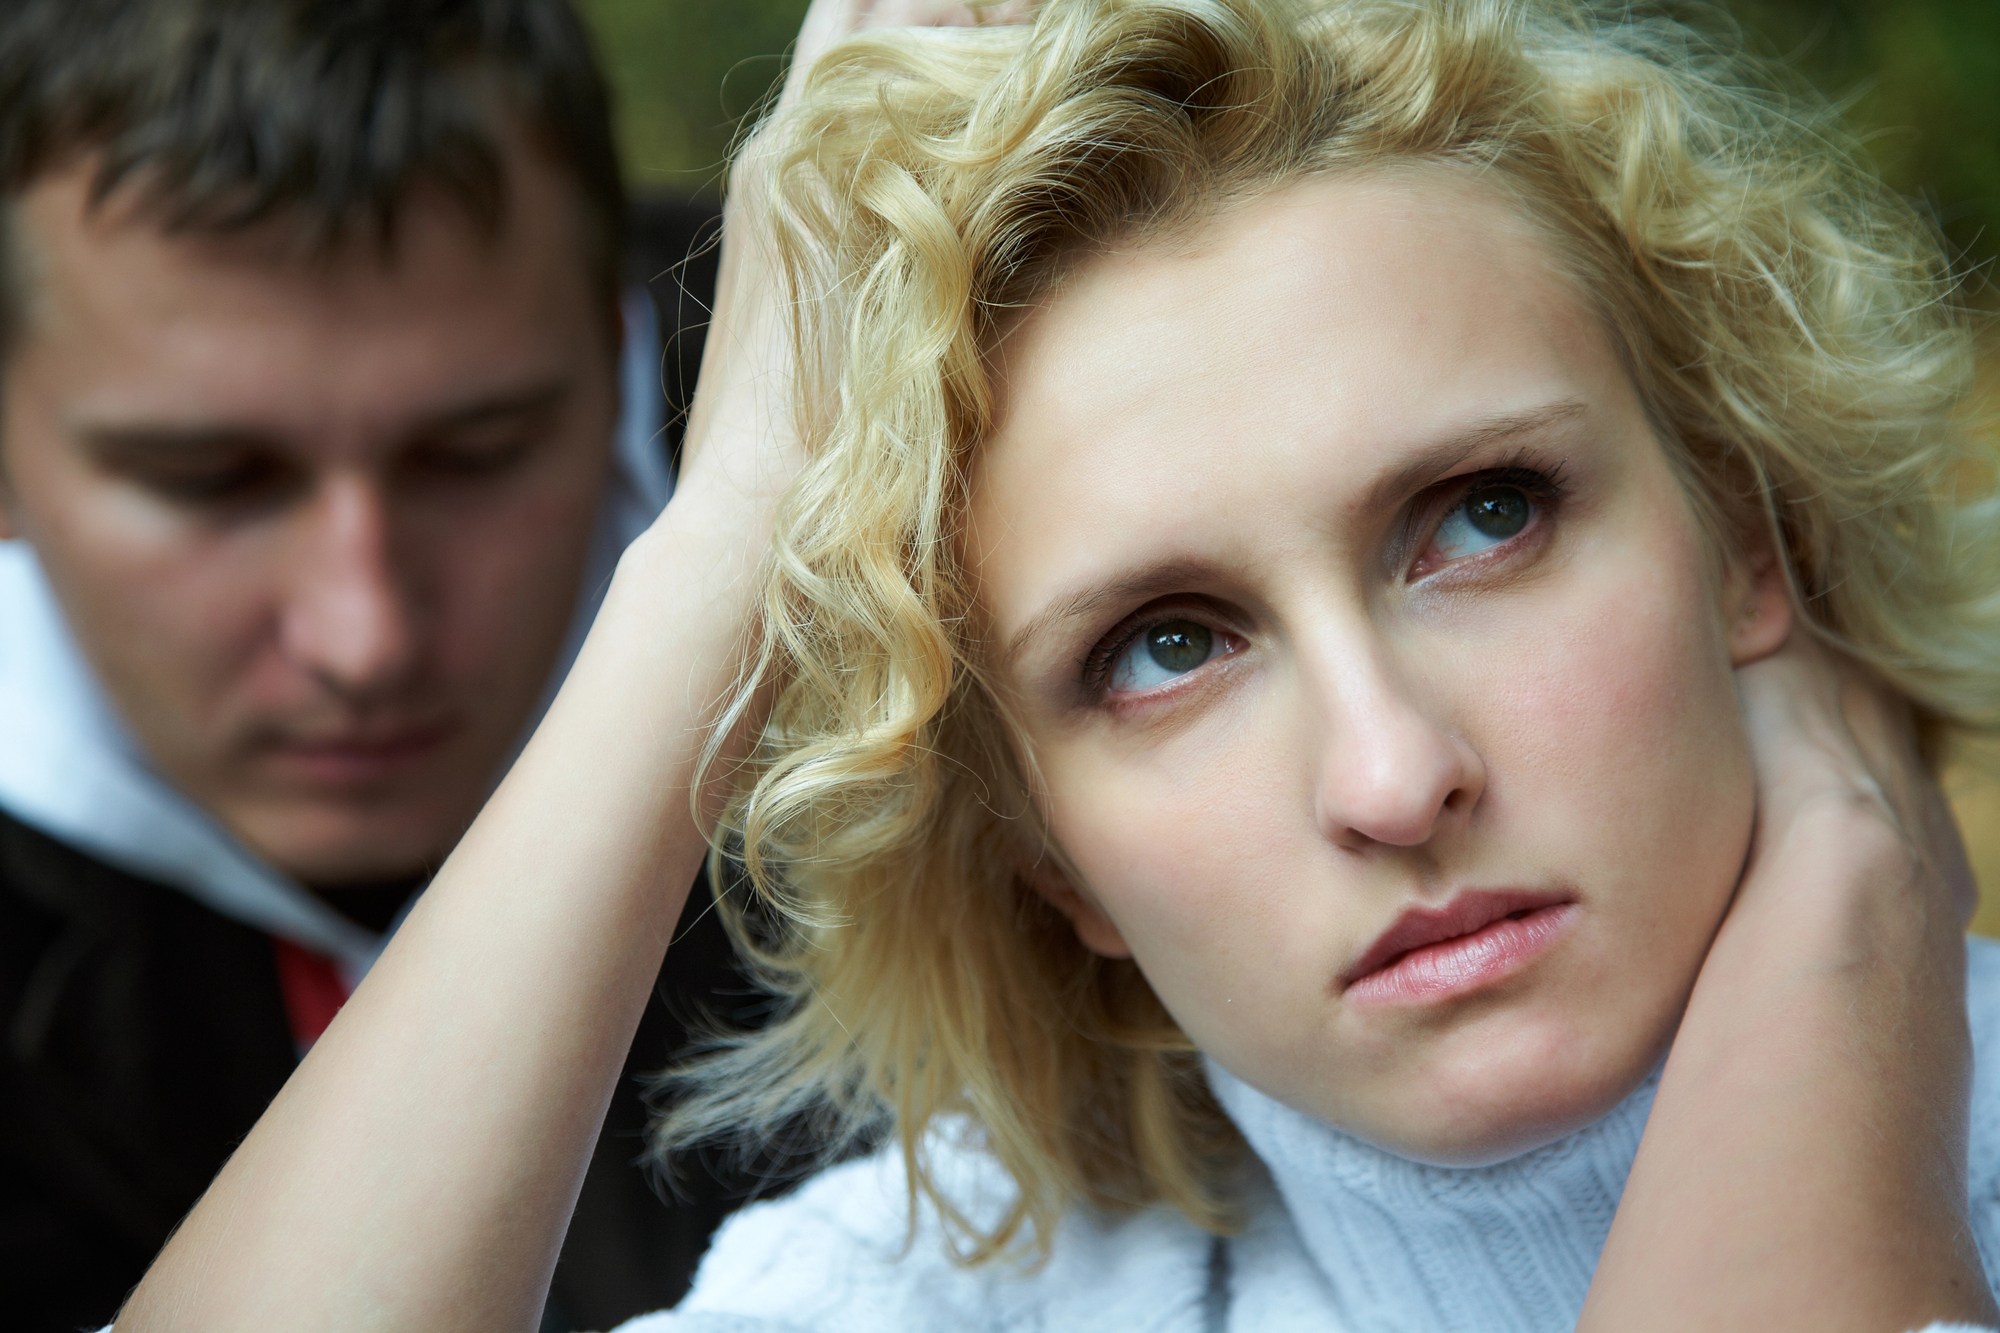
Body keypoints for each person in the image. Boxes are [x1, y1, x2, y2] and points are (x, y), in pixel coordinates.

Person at [109, 0, 2000, 1329]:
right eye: (1163, 647)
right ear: (1047, 855)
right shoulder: (953, 1297)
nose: (1391, 770)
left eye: (1483, 518)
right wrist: (715, 554)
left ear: (1745, 535)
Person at [0, 3, 750, 1330]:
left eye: (478, 455)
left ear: (624, 339)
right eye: (211, 481)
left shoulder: (958, 492)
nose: (367, 637)